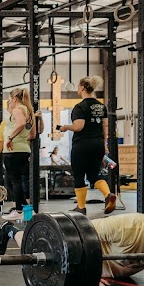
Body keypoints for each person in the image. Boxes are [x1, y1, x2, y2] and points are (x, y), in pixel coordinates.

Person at [0, 199, 144, 286]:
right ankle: (11, 230)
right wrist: (88, 274)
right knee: (34, 247)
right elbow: (73, 236)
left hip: (121, 269)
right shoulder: (123, 227)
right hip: (95, 263)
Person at [57, 76, 116, 216]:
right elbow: (105, 126)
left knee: (79, 176)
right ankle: (108, 195)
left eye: (78, 87)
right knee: (94, 175)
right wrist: (104, 144)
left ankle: (81, 207)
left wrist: (65, 127)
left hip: (82, 145)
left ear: (82, 87)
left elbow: (78, 126)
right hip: (97, 145)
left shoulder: (80, 107)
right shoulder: (101, 106)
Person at [0, 87, 36, 222]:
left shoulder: (17, 109)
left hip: (13, 150)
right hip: (23, 149)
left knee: (13, 182)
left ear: (14, 99)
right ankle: (27, 210)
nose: (10, 102)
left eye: (10, 99)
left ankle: (19, 210)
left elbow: (20, 124)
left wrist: (10, 138)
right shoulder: (29, 112)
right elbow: (32, 135)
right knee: (17, 181)